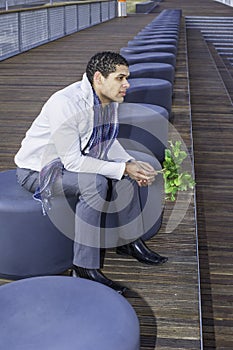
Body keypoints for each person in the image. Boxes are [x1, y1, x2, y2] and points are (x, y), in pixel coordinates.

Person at [15, 51, 168, 295]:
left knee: (123, 177)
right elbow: (73, 161)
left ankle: (129, 242)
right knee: (94, 183)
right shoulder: (65, 103)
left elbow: (106, 143)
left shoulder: (108, 100)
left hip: (71, 164)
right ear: (99, 78)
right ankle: (83, 267)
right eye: (120, 78)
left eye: (127, 78)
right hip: (40, 172)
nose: (127, 84)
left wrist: (130, 162)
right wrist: (122, 167)